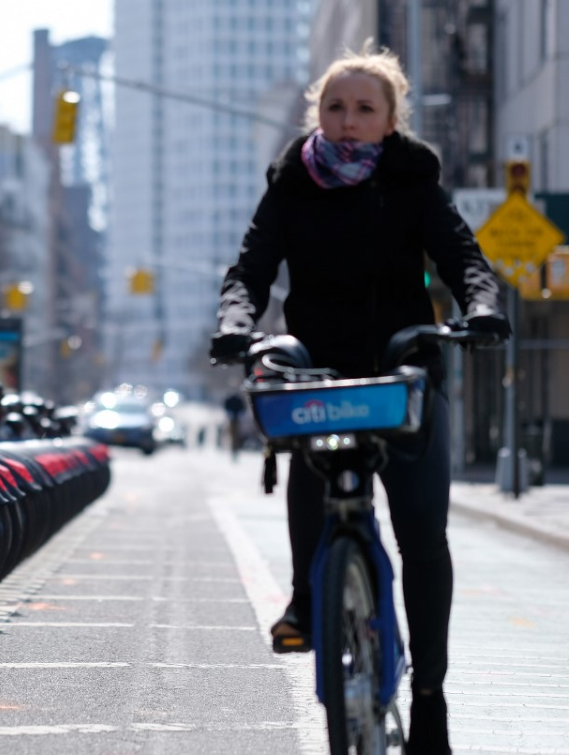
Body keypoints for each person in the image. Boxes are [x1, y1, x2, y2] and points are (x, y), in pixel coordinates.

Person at [209, 42, 510, 755]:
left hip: (402, 368)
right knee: (311, 470)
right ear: (319, 112)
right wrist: (234, 325)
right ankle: (309, 597)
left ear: (389, 120)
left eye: (364, 109)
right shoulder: (290, 183)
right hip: (321, 371)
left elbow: (465, 258)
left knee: (422, 537)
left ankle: (430, 698)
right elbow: (249, 270)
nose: (347, 121)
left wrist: (484, 304)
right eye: (335, 107)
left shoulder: (413, 182)